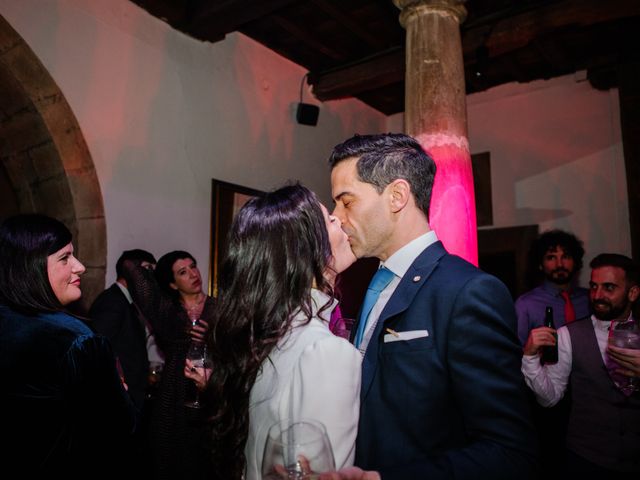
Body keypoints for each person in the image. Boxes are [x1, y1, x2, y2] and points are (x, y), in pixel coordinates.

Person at [329, 133, 537, 479]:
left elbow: (509, 452)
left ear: (397, 196)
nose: (336, 217)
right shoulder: (371, 283)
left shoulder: (468, 292)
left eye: (346, 201)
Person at [197, 184, 362, 480]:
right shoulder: (327, 352)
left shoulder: (263, 336)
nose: (340, 219)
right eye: (329, 220)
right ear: (306, 249)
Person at [0, 214, 137, 475]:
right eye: (65, 258)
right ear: (31, 267)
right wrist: (118, 390)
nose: (80, 266)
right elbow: (119, 431)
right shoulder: (76, 340)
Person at [522, 253, 640, 475]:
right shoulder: (569, 335)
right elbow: (549, 398)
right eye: (594, 286)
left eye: (609, 288)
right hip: (587, 461)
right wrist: (529, 357)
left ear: (632, 293)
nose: (597, 295)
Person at [124, 250, 214, 480]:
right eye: (183, 272)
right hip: (174, 393)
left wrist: (213, 336)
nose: (193, 273)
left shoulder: (220, 308)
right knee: (171, 458)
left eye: (193, 266)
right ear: (173, 284)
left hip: (210, 392)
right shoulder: (167, 312)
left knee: (206, 458)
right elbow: (130, 267)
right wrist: (153, 270)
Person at [90, 249, 158, 409]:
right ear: (129, 271)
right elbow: (98, 349)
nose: (152, 277)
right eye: (148, 269)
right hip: (119, 395)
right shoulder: (112, 302)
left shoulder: (127, 302)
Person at [516, 229, 590, 345]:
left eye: (565, 256)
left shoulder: (589, 299)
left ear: (575, 261)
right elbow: (516, 353)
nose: (559, 264)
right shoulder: (526, 305)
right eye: (551, 257)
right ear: (540, 264)